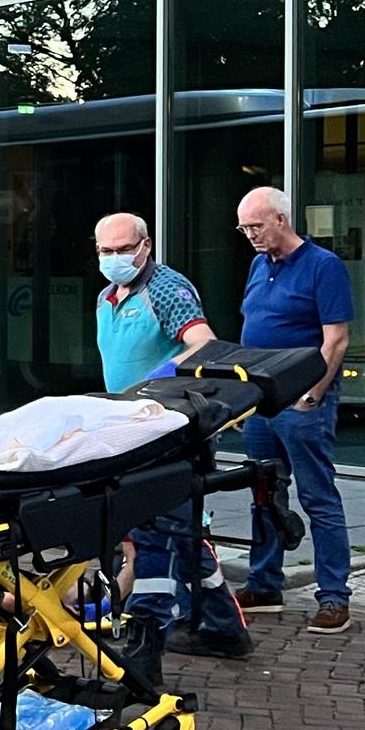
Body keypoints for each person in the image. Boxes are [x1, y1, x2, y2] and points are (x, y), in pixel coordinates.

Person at [91, 212, 252, 680]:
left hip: (169, 426)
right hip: (131, 426)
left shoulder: (165, 288)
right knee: (179, 532)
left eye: (124, 249)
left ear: (146, 246)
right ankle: (223, 626)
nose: (115, 258)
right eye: (106, 251)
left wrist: (162, 380)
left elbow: (203, 344)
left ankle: (148, 638)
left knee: (155, 529)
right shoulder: (107, 296)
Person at [234, 187, 354, 635]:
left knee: (318, 496)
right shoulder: (257, 264)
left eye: (256, 226)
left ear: (281, 219)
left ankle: (333, 596)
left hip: (302, 402)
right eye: (244, 228)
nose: (249, 235)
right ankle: (265, 583)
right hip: (261, 402)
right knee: (262, 492)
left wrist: (314, 395)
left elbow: (336, 338)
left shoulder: (323, 266)